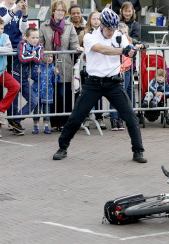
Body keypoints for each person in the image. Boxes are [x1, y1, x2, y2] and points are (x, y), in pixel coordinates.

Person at [52, 8, 147, 163]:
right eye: (108, 28)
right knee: (77, 116)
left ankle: (138, 151)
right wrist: (122, 50)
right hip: (93, 83)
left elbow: (127, 48)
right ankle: (62, 147)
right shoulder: (90, 37)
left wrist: (131, 51)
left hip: (114, 83)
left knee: (130, 116)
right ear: (101, 25)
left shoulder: (119, 36)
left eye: (113, 28)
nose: (111, 32)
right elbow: (102, 50)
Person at [39, 0, 81, 131]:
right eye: (58, 10)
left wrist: (78, 48)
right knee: (51, 93)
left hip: (65, 64)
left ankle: (64, 122)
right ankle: (53, 122)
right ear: (53, 11)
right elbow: (40, 44)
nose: (61, 13)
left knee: (64, 93)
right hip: (49, 64)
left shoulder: (69, 26)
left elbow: (73, 43)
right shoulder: (44, 26)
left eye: (63, 10)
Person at [0, 0, 28, 108]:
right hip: (0, 51)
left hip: (15, 51)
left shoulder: (19, 10)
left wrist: (24, 15)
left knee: (14, 84)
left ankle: (12, 117)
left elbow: (24, 30)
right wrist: (14, 11)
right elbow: (1, 23)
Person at [9, 27, 43, 135]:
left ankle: (16, 120)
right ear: (26, 37)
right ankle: (14, 125)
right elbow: (22, 59)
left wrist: (30, 56)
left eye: (37, 37)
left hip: (25, 78)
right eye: (33, 37)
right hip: (15, 76)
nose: (35, 40)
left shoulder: (39, 46)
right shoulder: (22, 44)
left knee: (33, 101)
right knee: (13, 102)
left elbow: (39, 60)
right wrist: (32, 55)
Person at [78, 11, 106, 130]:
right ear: (89, 20)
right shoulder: (84, 33)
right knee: (87, 94)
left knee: (98, 93)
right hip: (86, 66)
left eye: (98, 19)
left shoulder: (104, 33)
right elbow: (78, 45)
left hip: (99, 67)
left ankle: (99, 117)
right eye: (93, 18)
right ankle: (86, 118)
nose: (96, 21)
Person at [0, 16, 20, 138]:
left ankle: (1, 110)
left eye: (1, 28)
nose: (0, 31)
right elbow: (4, 50)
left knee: (16, 86)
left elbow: (9, 49)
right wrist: (1, 50)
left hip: (1, 72)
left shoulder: (5, 37)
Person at [31, 51, 60, 134]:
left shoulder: (53, 68)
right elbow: (34, 78)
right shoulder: (37, 66)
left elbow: (56, 81)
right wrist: (37, 73)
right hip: (37, 92)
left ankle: (46, 126)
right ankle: (36, 126)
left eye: (51, 56)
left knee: (47, 110)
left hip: (48, 93)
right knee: (37, 110)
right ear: (42, 57)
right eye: (47, 56)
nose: (49, 58)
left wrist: (56, 74)